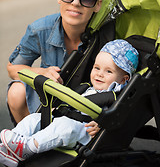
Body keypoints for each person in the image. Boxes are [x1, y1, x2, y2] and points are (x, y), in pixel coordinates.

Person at [0, 39, 139, 167]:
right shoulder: (86, 87)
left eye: (108, 71)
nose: (99, 74)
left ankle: (27, 148)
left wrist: (102, 124)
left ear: (123, 80)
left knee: (65, 127)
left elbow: (116, 117)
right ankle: (11, 147)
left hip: (82, 131)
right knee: (33, 119)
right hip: (63, 118)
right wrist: (59, 107)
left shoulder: (115, 97)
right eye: (97, 68)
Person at [6, 0, 103, 125]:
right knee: (16, 91)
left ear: (97, 4)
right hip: (50, 102)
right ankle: (30, 145)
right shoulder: (40, 29)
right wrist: (41, 73)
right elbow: (13, 69)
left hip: (87, 108)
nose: (75, 2)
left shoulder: (106, 35)